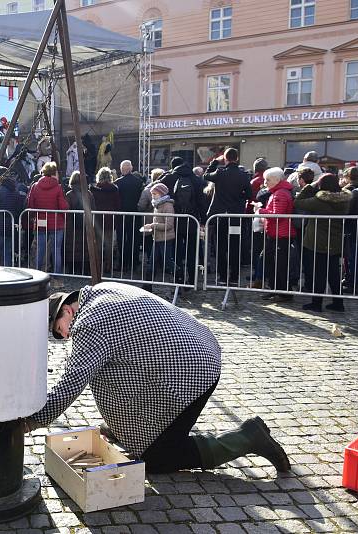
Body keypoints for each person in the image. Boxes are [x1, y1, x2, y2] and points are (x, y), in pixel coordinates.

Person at [23, 285, 291, 475]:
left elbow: (72, 382)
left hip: (189, 375)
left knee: (158, 458)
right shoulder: (102, 291)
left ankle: (247, 437)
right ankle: (122, 429)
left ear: (66, 312)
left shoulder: (90, 322)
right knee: (112, 369)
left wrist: (31, 421)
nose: (66, 335)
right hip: (199, 350)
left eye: (60, 330)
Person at [294, 173, 351, 312]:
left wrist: (309, 186)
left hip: (318, 241)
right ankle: (338, 303)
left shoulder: (319, 201)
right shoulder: (345, 200)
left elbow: (298, 202)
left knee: (318, 273)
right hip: (335, 241)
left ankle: (316, 303)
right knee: (334, 274)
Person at [204, 148, 252, 286]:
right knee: (235, 246)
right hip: (235, 216)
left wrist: (214, 162)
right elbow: (248, 195)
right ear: (237, 158)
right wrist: (238, 198)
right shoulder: (244, 175)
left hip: (220, 215)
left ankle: (223, 277)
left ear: (225, 159)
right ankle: (234, 278)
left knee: (221, 246)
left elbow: (206, 176)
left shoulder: (220, 173)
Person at [160, 159, 207, 285]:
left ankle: (178, 279)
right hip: (192, 220)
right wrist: (204, 220)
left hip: (175, 220)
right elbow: (202, 203)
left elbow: (155, 186)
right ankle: (192, 280)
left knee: (177, 251)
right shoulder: (196, 180)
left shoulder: (169, 178)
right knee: (192, 251)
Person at [254, 167, 296, 303]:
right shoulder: (278, 192)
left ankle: (283, 292)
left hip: (280, 234)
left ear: (277, 180)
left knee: (279, 264)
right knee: (271, 262)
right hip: (275, 232)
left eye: (268, 180)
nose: (265, 182)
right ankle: (274, 289)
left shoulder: (281, 194)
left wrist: (260, 210)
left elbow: (277, 216)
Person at [27, 162, 68, 274]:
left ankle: (37, 274)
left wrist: (33, 217)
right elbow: (63, 206)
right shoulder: (58, 187)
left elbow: (30, 204)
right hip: (56, 223)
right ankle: (57, 276)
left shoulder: (35, 186)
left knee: (40, 250)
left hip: (41, 222)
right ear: (54, 173)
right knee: (56, 251)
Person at [0, 172, 24, 266]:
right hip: (9, 227)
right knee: (7, 253)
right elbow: (18, 208)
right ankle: (7, 276)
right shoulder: (15, 191)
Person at [142, 182, 177, 282]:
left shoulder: (167, 206)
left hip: (166, 238)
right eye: (152, 193)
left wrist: (153, 226)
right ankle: (147, 285)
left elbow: (169, 225)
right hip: (157, 237)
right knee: (151, 262)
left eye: (155, 194)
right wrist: (151, 226)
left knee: (168, 262)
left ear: (161, 194)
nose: (152, 196)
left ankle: (181, 279)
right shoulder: (156, 205)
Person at [65, 171, 96, 276]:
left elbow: (66, 210)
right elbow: (93, 208)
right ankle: (86, 268)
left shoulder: (69, 195)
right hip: (86, 224)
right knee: (85, 245)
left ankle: (72, 268)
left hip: (72, 226)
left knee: (72, 245)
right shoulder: (89, 194)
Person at [115, 160, 144, 272]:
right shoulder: (138, 182)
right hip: (135, 214)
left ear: (122, 169)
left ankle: (123, 263)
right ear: (131, 168)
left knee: (121, 239)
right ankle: (134, 262)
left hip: (122, 214)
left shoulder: (118, 182)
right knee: (134, 239)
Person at [91, 167, 121, 275]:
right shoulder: (114, 189)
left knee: (98, 244)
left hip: (98, 219)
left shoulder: (95, 189)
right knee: (109, 244)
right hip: (110, 218)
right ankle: (108, 266)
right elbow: (117, 205)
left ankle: (98, 266)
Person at [248, 159, 269, 289]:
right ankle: (260, 275)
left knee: (257, 249)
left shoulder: (254, 182)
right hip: (265, 219)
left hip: (258, 217)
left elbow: (249, 198)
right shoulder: (265, 181)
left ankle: (258, 275)